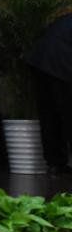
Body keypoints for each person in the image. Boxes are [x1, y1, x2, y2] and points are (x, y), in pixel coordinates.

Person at [27, 14, 72, 175]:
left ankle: (55, 164)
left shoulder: (66, 19)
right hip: (62, 63)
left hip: (40, 63)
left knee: (49, 115)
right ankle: (56, 163)